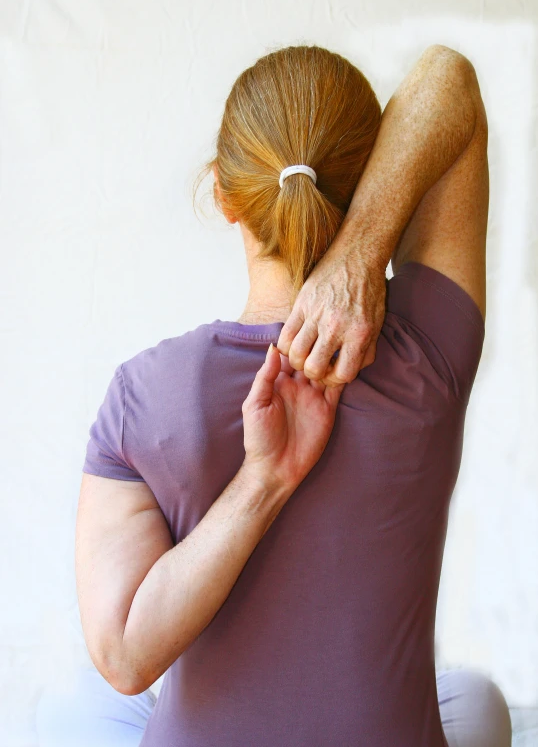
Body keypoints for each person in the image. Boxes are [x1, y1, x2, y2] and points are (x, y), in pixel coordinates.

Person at [37, 44, 512, 746]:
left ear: (224, 196)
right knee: (478, 697)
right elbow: (448, 79)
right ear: (369, 184)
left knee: (72, 702)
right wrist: (361, 252)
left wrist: (261, 483)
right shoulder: (427, 357)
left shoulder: (143, 393)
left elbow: (125, 660)